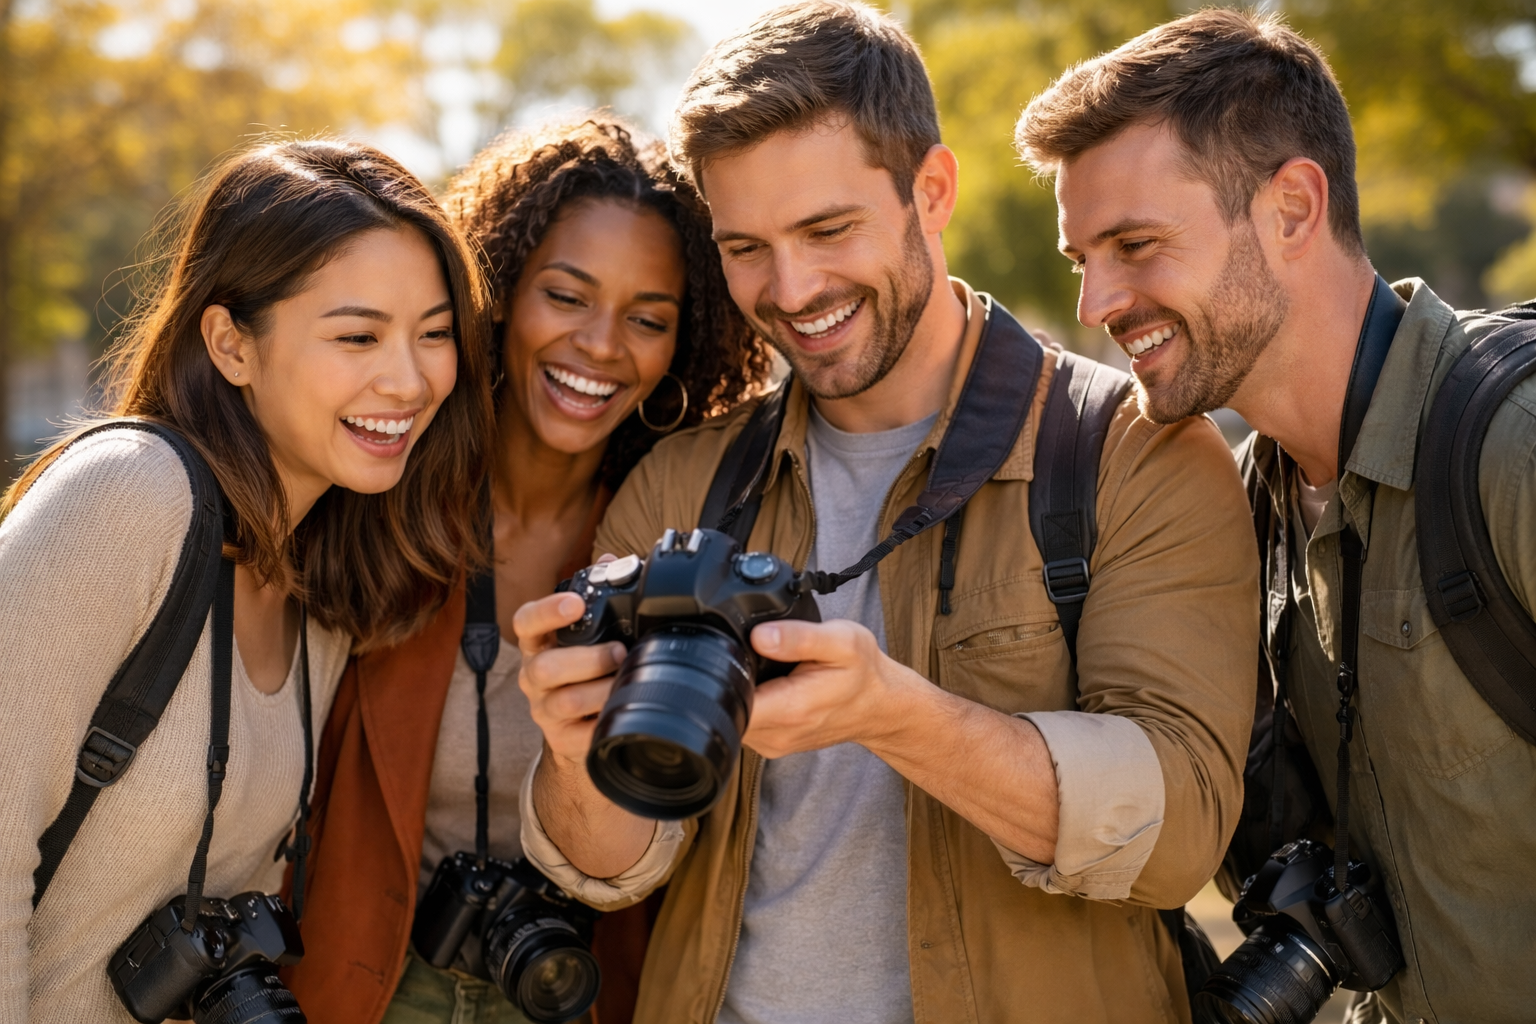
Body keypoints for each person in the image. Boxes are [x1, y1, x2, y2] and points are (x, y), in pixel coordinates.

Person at [513, 5, 1260, 1023]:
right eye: (745, 247)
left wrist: (895, 717)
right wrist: (574, 752)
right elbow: (616, 867)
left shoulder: (1133, 454)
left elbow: (1178, 838)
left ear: (932, 191)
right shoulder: (677, 487)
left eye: (829, 230)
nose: (792, 287)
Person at [1016, 9, 1536, 1024]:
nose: (1097, 302)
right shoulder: (1240, 508)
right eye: (1085, 258)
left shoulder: (1514, 447)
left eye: (1135, 244)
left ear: (1293, 209)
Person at [283, 118, 769, 1024]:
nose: (600, 345)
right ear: (501, 291)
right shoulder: (381, 493)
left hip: (568, 990)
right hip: (363, 987)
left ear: (681, 345)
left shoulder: (679, 544)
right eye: (567, 295)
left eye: (648, 318)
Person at [0, 139, 494, 1023]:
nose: (411, 379)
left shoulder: (327, 583)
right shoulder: (129, 495)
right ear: (231, 343)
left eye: (435, 334)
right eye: (358, 335)